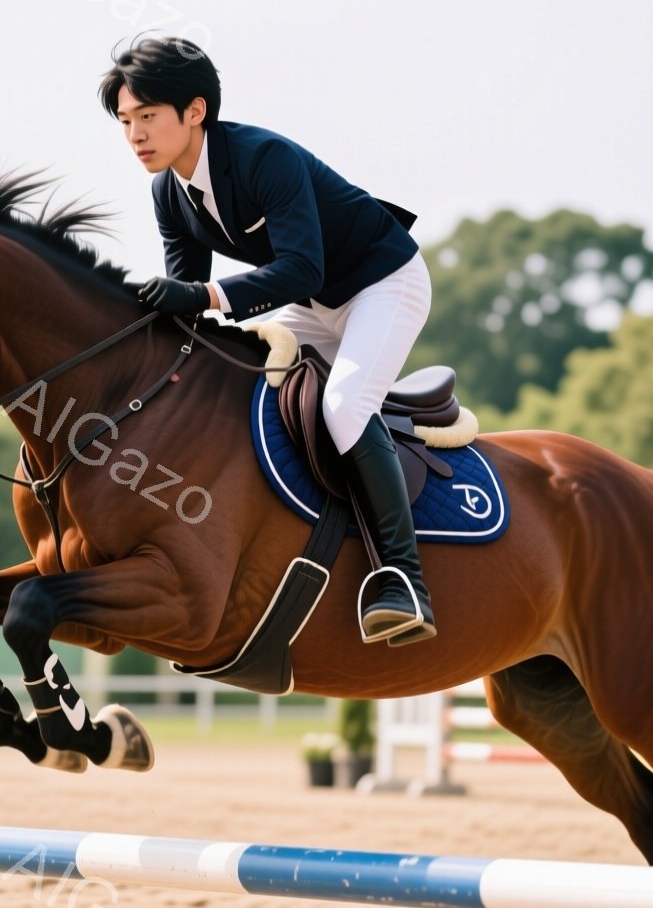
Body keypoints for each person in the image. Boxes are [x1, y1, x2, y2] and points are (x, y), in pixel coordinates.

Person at [100, 36, 436, 646]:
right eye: (126, 121)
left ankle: (404, 578)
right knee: (257, 400)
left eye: (147, 117)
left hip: (383, 283)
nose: (135, 136)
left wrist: (201, 297)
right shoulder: (167, 191)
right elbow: (187, 289)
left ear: (195, 111)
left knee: (341, 405)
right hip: (316, 305)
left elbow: (298, 269)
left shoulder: (264, 158)